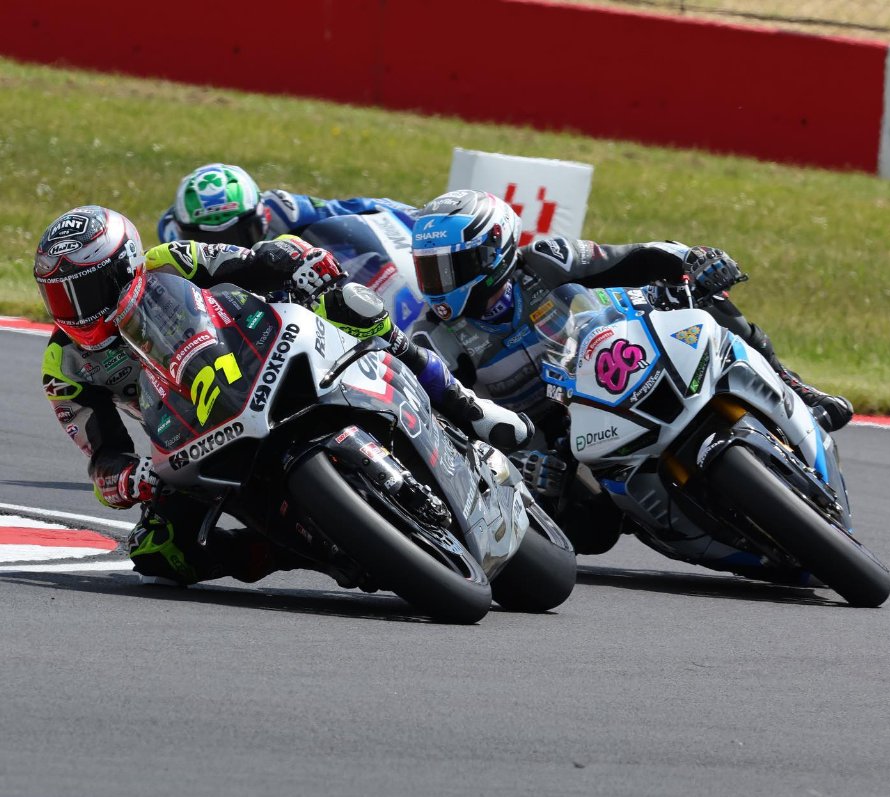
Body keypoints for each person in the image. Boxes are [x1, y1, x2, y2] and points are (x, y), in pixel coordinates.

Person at [34, 205, 531, 586]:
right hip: (192, 433)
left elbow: (252, 263)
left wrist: (297, 261)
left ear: (123, 268)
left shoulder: (172, 261)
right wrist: (126, 478)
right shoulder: (65, 364)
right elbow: (102, 454)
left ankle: (467, 405)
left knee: (352, 306)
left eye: (83, 291)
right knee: (159, 551)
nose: (72, 312)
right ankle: (298, 552)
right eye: (58, 297)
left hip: (259, 355)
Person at [406, 189, 854, 550]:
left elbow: (636, 257)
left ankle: (796, 386)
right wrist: (514, 464)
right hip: (557, 429)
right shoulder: (437, 338)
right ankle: (653, 515)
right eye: (428, 269)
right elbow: (448, 423)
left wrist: (694, 261)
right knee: (586, 529)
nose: (437, 284)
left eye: (450, 266)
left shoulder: (547, 260)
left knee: (704, 296)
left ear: (492, 252)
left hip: (628, 349)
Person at [157, 162, 416, 246]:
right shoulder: (169, 238)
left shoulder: (283, 209)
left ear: (262, 215)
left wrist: (416, 216)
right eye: (207, 243)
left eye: (237, 237)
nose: (223, 252)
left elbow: (354, 207)